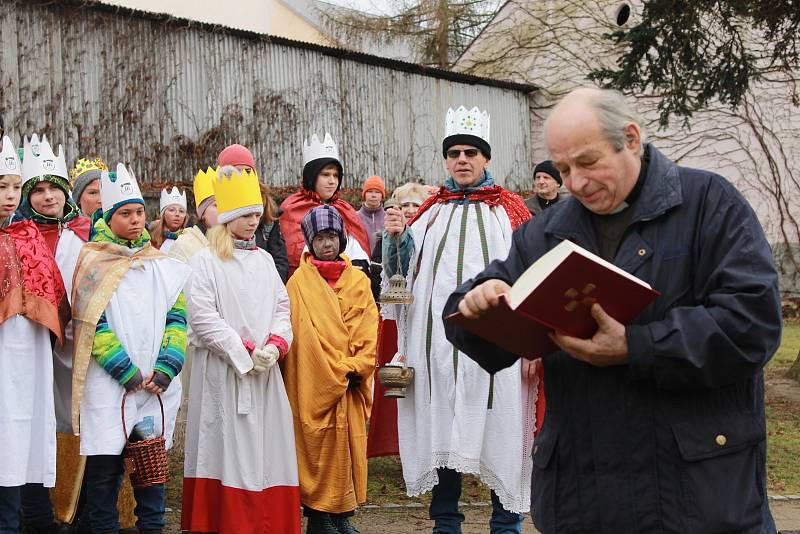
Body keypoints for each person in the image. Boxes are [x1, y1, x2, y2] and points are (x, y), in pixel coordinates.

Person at [444, 88, 783, 534]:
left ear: (631, 138)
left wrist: (637, 346)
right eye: (563, 169)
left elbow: (751, 324)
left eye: (588, 162)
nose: (576, 183)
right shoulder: (547, 231)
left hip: (698, 495)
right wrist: (478, 302)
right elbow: (476, 313)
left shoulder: (709, 204)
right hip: (586, 496)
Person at [383, 106, 537, 533]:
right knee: (442, 431)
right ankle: (445, 524)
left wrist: (532, 345)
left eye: (471, 152)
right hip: (436, 352)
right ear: (446, 160)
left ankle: (506, 525)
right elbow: (400, 279)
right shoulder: (429, 214)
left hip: (499, 355)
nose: (462, 160)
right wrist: (395, 239)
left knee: (500, 428)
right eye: (454, 153)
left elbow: (532, 277)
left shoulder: (510, 213)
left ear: (486, 158)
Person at [69, 163, 190, 534]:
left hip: (155, 384)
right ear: (109, 215)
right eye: (126, 214)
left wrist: (168, 365)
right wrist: (125, 369)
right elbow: (93, 323)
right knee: (105, 473)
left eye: (140, 212)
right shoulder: (93, 262)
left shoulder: (162, 265)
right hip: (111, 384)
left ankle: (152, 528)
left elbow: (177, 316)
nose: (136, 220)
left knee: (151, 472)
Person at [181, 167, 300, 534]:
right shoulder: (205, 262)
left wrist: (276, 346)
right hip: (225, 374)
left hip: (263, 376)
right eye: (247, 215)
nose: (254, 222)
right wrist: (244, 349)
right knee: (226, 449)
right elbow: (202, 316)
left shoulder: (265, 261)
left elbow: (283, 308)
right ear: (229, 217)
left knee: (266, 453)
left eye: (257, 214)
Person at [283, 205, 378, 534]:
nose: (327, 244)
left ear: (343, 238)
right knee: (316, 446)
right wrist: (328, 372)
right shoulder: (297, 284)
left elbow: (369, 328)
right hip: (313, 383)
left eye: (333, 236)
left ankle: (343, 514)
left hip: (350, 382)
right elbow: (300, 338)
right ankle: (319, 515)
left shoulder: (359, 282)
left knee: (349, 446)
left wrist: (356, 366)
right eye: (320, 237)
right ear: (310, 241)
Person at [15, 134, 93, 533]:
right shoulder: (20, 237)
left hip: (77, 344)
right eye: (38, 190)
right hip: (31, 343)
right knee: (33, 420)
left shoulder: (84, 235)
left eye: (53, 189)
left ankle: (73, 505)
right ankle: (38, 507)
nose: (47, 197)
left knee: (74, 418)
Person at [0, 135, 67, 534]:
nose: (10, 196)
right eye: (1, 187)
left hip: (30, 359)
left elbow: (55, 298)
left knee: (23, 439)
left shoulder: (30, 238)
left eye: (13, 187)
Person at [366, 181, 433, 458]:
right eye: (403, 205)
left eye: (415, 205)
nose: (409, 210)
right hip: (397, 318)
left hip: (425, 315)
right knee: (398, 382)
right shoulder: (387, 236)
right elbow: (379, 272)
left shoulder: (430, 234)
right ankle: (397, 445)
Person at [279, 132, 371, 277]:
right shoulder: (291, 208)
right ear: (311, 176)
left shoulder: (345, 209)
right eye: (325, 174)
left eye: (335, 176)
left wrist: (357, 265)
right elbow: (291, 256)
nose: (332, 181)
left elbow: (358, 250)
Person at [217, 144, 289, 282]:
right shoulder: (212, 210)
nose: (242, 177)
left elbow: (280, 260)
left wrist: (269, 289)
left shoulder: (268, 211)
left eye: (248, 172)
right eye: (236, 172)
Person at [150, 187, 187, 252]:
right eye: (172, 210)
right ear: (163, 214)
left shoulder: (189, 240)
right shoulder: (151, 240)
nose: (177, 214)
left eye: (181, 211)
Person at [357, 175, 386, 253]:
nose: (373, 195)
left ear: (382, 196)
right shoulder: (355, 217)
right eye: (370, 191)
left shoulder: (388, 218)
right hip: (361, 263)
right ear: (364, 194)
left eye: (377, 192)